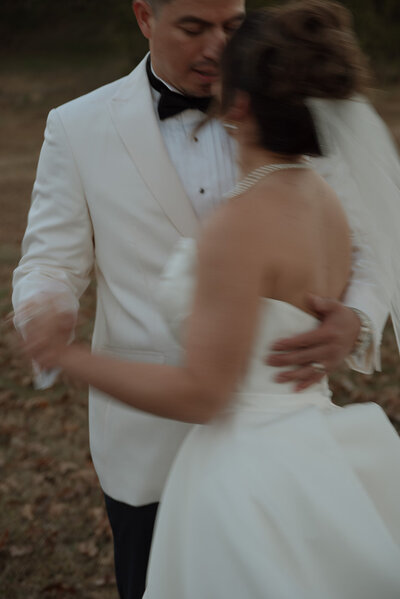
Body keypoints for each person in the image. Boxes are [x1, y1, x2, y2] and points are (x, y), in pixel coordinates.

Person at [13, 0, 397, 597]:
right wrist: (45, 305)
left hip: (272, 446)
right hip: (145, 444)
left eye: (232, 26)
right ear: (145, 16)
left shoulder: (286, 104)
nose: (217, 46)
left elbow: (372, 240)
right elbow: (49, 260)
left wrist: (358, 317)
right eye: (194, 28)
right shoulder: (77, 126)